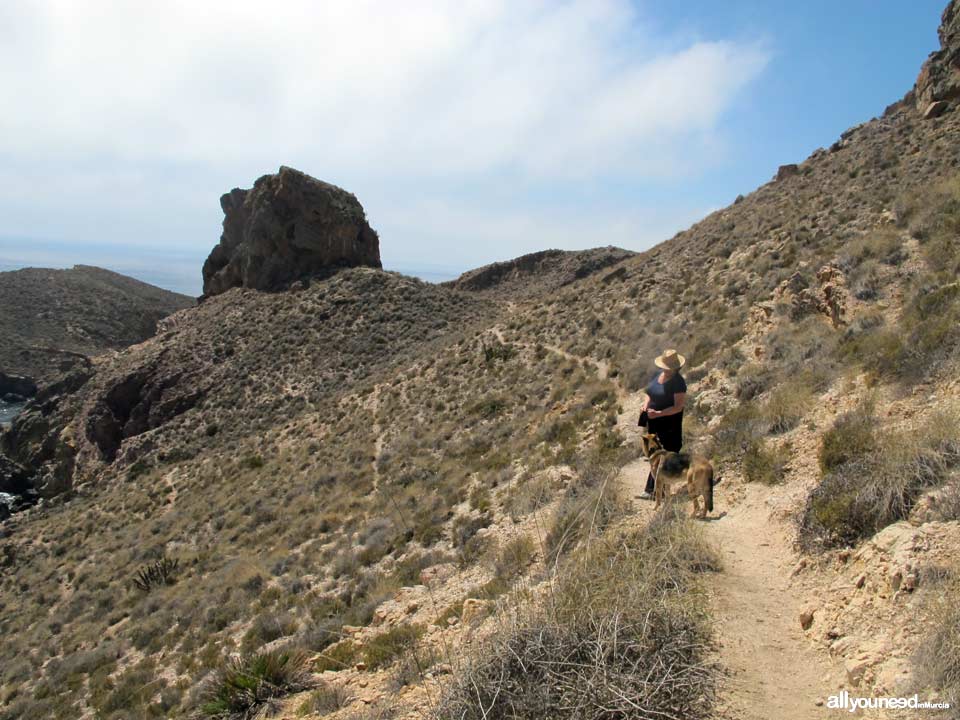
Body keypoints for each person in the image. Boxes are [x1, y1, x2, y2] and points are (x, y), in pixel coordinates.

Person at [638, 348, 687, 499]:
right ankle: (657, 491)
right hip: (654, 424)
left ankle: (654, 491)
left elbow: (678, 407)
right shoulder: (656, 375)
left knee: (664, 457)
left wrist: (660, 413)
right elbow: (649, 392)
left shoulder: (678, 383)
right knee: (655, 456)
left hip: (669, 426)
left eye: (668, 368)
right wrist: (645, 405)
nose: (666, 370)